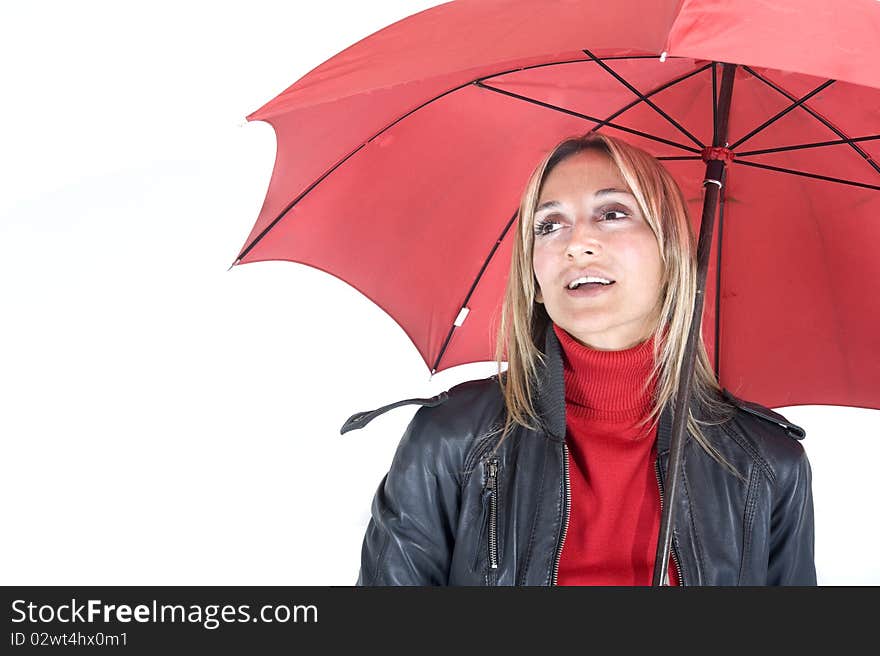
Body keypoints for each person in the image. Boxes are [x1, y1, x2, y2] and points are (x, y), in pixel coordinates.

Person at [347, 133, 816, 586]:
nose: (575, 244)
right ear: (533, 270)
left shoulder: (769, 465)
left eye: (612, 213)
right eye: (549, 225)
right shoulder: (449, 439)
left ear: (670, 252)